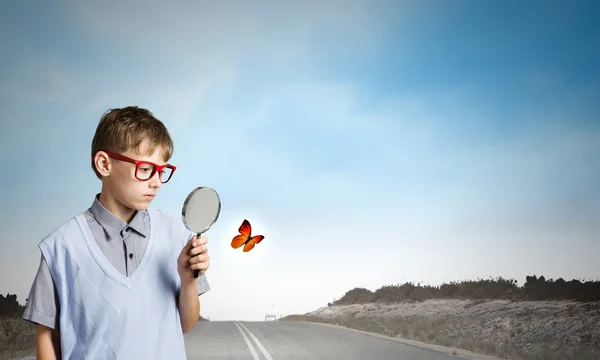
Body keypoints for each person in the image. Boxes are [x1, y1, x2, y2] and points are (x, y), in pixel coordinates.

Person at [22, 106, 211, 359]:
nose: (156, 182)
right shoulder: (61, 247)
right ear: (104, 164)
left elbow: (186, 325)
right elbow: (46, 336)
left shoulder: (178, 233)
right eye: (145, 169)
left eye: (162, 171)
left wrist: (188, 281)